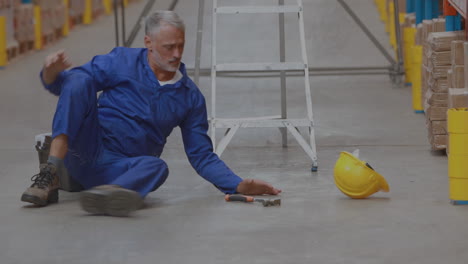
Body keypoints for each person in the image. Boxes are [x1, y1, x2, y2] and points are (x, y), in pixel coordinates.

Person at [21, 11, 281, 216]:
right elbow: (66, 87)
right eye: (169, 47)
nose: (177, 54)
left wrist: (236, 185)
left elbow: (201, 155)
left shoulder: (189, 97)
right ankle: (50, 173)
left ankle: (109, 195)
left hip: (123, 169)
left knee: (156, 166)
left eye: (180, 45)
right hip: (85, 149)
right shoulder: (121, 61)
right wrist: (50, 72)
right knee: (78, 79)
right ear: (148, 43)